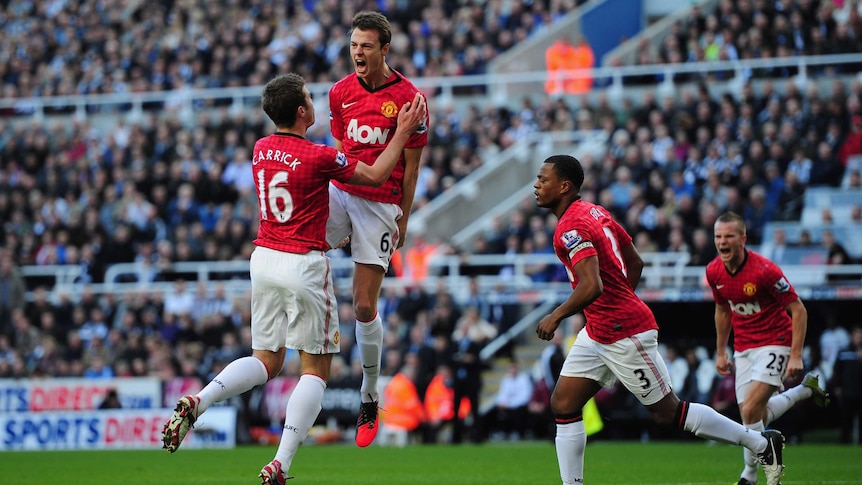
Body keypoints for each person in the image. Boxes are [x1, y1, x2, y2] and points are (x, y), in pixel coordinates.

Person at [160, 72, 426, 485]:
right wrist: (401, 133)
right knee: (314, 371)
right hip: (303, 263)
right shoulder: (320, 156)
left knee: (265, 360)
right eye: (308, 96)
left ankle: (201, 398)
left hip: (264, 258)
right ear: (302, 111)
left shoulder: (260, 148)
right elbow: (373, 177)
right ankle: (281, 463)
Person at [533, 155, 785, 485]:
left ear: (564, 185)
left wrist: (556, 315)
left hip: (623, 331)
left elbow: (591, 284)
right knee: (563, 403)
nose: (536, 186)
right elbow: (634, 262)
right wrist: (616, 302)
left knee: (667, 412)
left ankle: (760, 443)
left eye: (543, 179)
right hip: (599, 331)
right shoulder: (595, 211)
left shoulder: (571, 227)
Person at [325, 11, 430, 448]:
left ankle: (370, 393)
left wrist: (403, 215)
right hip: (343, 190)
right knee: (297, 241)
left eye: (366, 46)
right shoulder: (339, 93)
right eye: (353, 46)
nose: (357, 53)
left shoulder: (410, 99)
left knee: (364, 306)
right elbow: (339, 148)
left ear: (384, 49)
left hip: (381, 204)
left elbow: (411, 166)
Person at [707, 211, 831, 485]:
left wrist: (795, 354)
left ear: (743, 239)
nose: (722, 241)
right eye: (718, 236)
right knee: (755, 415)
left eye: (729, 236)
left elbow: (798, 310)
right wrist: (720, 351)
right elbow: (722, 310)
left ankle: (751, 475)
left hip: (775, 341)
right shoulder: (714, 270)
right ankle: (805, 390)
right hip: (743, 347)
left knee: (750, 411)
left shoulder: (764, 271)